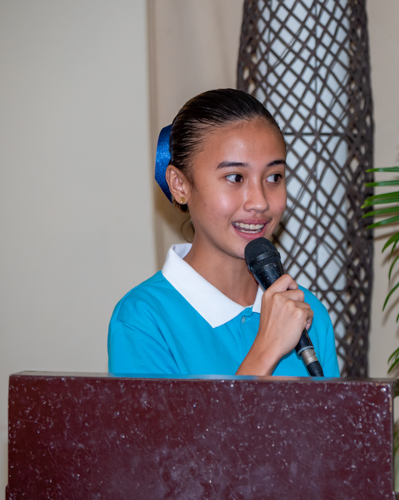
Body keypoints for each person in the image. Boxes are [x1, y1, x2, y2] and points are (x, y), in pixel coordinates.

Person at [108, 89, 339, 377]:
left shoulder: (305, 312)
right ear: (180, 185)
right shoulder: (143, 319)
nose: (260, 202)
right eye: (235, 177)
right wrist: (266, 349)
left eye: (274, 177)